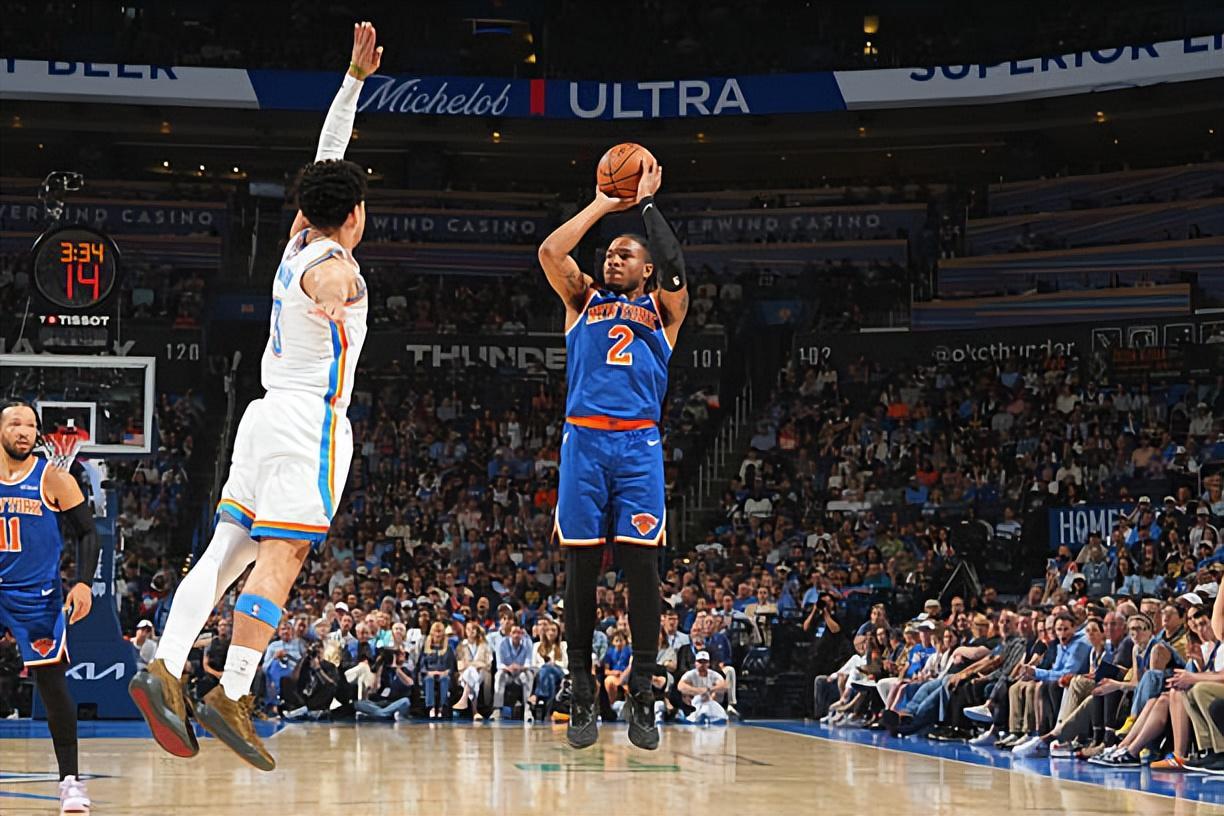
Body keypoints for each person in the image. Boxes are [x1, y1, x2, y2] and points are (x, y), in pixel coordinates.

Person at [128, 21, 380, 771]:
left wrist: (352, 82)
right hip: (309, 422)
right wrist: (335, 296)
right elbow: (330, 280)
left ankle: (165, 665)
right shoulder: (331, 264)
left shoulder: (297, 239)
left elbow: (326, 159)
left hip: (263, 418)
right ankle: (232, 691)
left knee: (225, 551)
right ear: (355, 216)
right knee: (285, 554)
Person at [538, 153, 687, 751]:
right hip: (584, 441)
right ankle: (581, 687)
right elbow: (551, 252)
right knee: (580, 569)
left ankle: (643, 689)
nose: (611, 259)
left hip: (638, 443)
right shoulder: (582, 299)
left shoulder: (664, 309)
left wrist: (646, 204)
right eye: (609, 254)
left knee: (642, 569)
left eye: (625, 254)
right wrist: (603, 203)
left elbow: (675, 265)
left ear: (647, 270)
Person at [0, 401, 99, 813]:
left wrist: (83, 583)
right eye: (15, 423)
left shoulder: (53, 477)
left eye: (30, 425)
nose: (24, 431)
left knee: (53, 687)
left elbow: (88, 532)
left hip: (34, 596)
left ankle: (70, 782)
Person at [677, 651, 729, 724]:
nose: (702, 664)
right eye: (700, 662)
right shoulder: (690, 674)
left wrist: (709, 690)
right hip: (695, 702)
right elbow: (680, 686)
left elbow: (724, 686)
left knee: (721, 716)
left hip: (710, 701)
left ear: (708, 663)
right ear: (695, 663)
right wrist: (698, 691)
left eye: (705, 662)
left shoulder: (713, 674)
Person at [455, 621, 493, 720]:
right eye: (468, 629)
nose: (471, 631)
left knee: (471, 672)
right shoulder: (461, 646)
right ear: (465, 631)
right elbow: (460, 666)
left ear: (477, 631)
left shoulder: (485, 645)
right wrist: (476, 664)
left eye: (473, 629)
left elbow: (488, 664)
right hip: (464, 674)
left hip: (482, 673)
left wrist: (470, 664)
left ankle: (465, 699)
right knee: (471, 673)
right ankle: (474, 712)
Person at [419, 622, 456, 719]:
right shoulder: (425, 648)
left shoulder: (448, 648)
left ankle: (441, 707)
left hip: (444, 674)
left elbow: (452, 666)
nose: (438, 634)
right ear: (432, 633)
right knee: (429, 679)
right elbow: (422, 665)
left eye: (440, 632)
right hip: (429, 674)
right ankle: (431, 707)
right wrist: (428, 672)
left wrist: (445, 672)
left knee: (445, 679)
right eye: (436, 631)